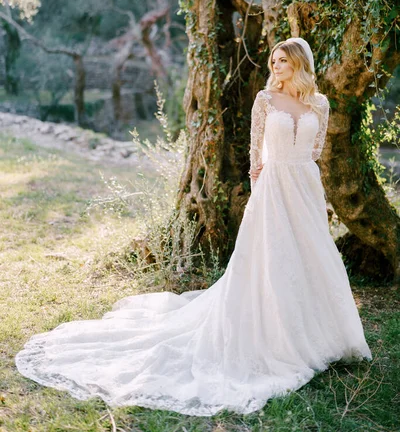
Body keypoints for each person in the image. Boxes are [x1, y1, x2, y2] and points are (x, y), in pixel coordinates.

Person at [15, 37, 372, 417]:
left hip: (306, 188)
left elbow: (316, 151)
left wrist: (301, 176)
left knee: (314, 257)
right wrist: (263, 195)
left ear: (299, 62)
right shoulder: (265, 101)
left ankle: (322, 336)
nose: (275, 66)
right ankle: (280, 338)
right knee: (274, 259)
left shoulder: (321, 103)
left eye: (282, 60)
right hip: (273, 190)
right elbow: (255, 155)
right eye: (273, 60)